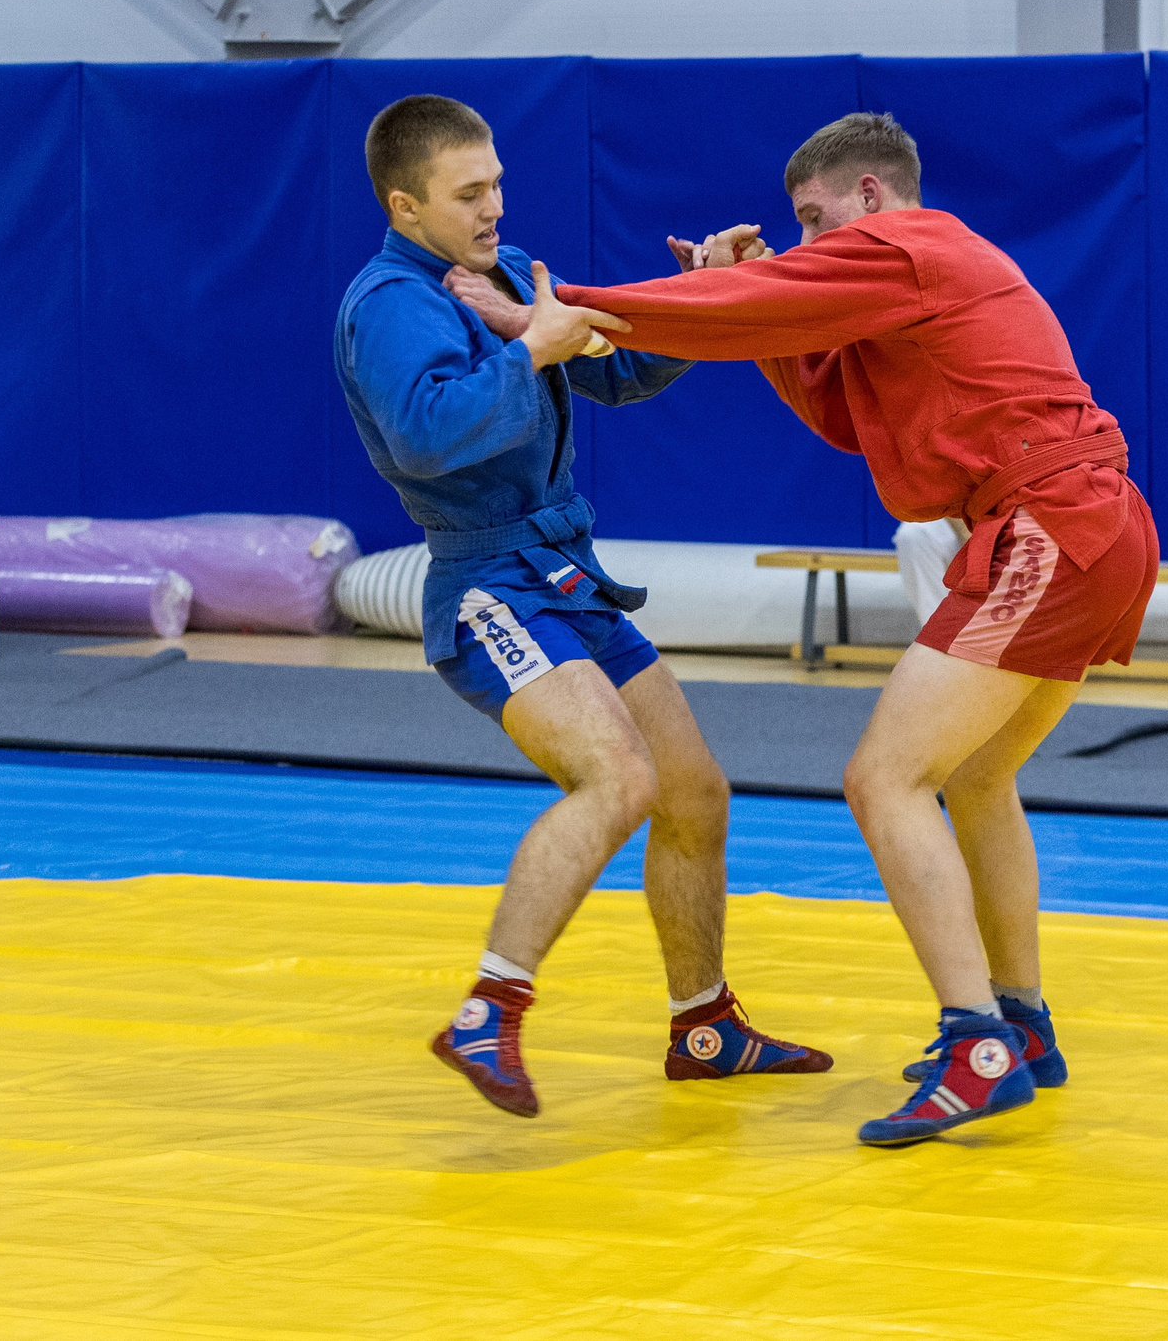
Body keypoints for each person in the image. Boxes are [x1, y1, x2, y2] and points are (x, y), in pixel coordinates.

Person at [461, 111, 1160, 1148]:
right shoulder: (920, 266)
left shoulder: (908, 243)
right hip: (1089, 523)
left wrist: (553, 314)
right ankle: (1020, 1019)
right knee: (972, 776)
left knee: (885, 777)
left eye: (812, 219)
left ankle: (974, 1043)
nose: (803, 242)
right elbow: (822, 382)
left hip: (1047, 524)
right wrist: (718, 295)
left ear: (870, 195)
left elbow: (758, 301)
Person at [333, 94, 828, 1120]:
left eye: (498, 183)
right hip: (485, 582)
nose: (493, 206)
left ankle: (705, 1024)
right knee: (617, 778)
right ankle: (487, 1007)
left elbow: (623, 364)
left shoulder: (507, 274)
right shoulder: (388, 303)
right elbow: (428, 433)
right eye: (468, 193)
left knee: (691, 790)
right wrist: (535, 351)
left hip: (566, 574)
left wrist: (706, 290)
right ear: (404, 203)